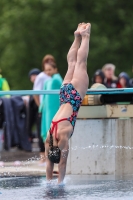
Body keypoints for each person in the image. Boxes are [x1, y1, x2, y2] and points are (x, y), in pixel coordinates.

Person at [45, 22, 91, 184]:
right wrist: (48, 180)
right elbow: (49, 166)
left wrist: (59, 184)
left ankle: (85, 35)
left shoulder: (62, 137)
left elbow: (62, 163)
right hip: (64, 94)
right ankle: (76, 37)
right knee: (72, 63)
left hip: (74, 97)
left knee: (80, 63)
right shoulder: (48, 138)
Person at [41, 62, 63, 142]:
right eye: (46, 70)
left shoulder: (56, 79)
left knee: (52, 129)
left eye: (50, 69)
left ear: (55, 69)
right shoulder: (48, 81)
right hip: (47, 109)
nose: (48, 72)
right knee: (49, 129)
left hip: (54, 109)